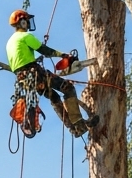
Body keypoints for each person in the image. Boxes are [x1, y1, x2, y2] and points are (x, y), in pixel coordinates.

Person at [6, 9, 97, 137]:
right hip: (36, 73)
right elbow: (45, 50)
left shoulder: (10, 42)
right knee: (68, 88)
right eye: (26, 21)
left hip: (26, 79)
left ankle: (73, 129)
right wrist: (64, 55)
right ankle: (79, 124)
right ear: (22, 22)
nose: (28, 24)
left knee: (54, 97)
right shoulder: (25, 36)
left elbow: (20, 61)